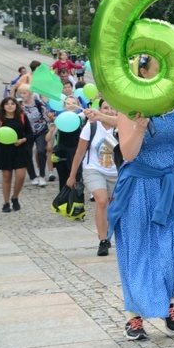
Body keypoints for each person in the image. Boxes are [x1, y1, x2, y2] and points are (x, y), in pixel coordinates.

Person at [106, 96, 174, 341]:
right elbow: (129, 153)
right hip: (139, 187)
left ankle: (166, 301)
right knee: (139, 250)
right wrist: (140, 128)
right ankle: (134, 315)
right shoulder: (129, 105)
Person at [66, 99, 119, 256]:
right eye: (106, 107)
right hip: (93, 169)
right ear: (99, 109)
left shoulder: (122, 127)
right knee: (102, 201)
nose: (109, 111)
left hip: (117, 172)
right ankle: (103, 241)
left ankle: (109, 231)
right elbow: (80, 152)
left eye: (113, 108)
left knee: (113, 206)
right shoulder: (91, 127)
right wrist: (72, 176)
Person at [0, 97, 33, 212]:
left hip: (20, 150)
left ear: (16, 105)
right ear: (3, 107)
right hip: (4, 151)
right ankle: (6, 202)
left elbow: (29, 133)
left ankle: (15, 197)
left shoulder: (22, 117)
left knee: (21, 177)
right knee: (7, 177)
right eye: (7, 104)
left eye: (12, 103)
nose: (10, 106)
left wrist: (22, 140)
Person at [16, 84, 49, 186]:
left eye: (24, 93)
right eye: (21, 93)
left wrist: (51, 119)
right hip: (26, 133)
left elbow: (46, 115)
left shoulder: (38, 103)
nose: (22, 95)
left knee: (41, 151)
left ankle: (42, 176)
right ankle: (33, 176)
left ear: (30, 93)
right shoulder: (18, 105)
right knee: (27, 154)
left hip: (40, 130)